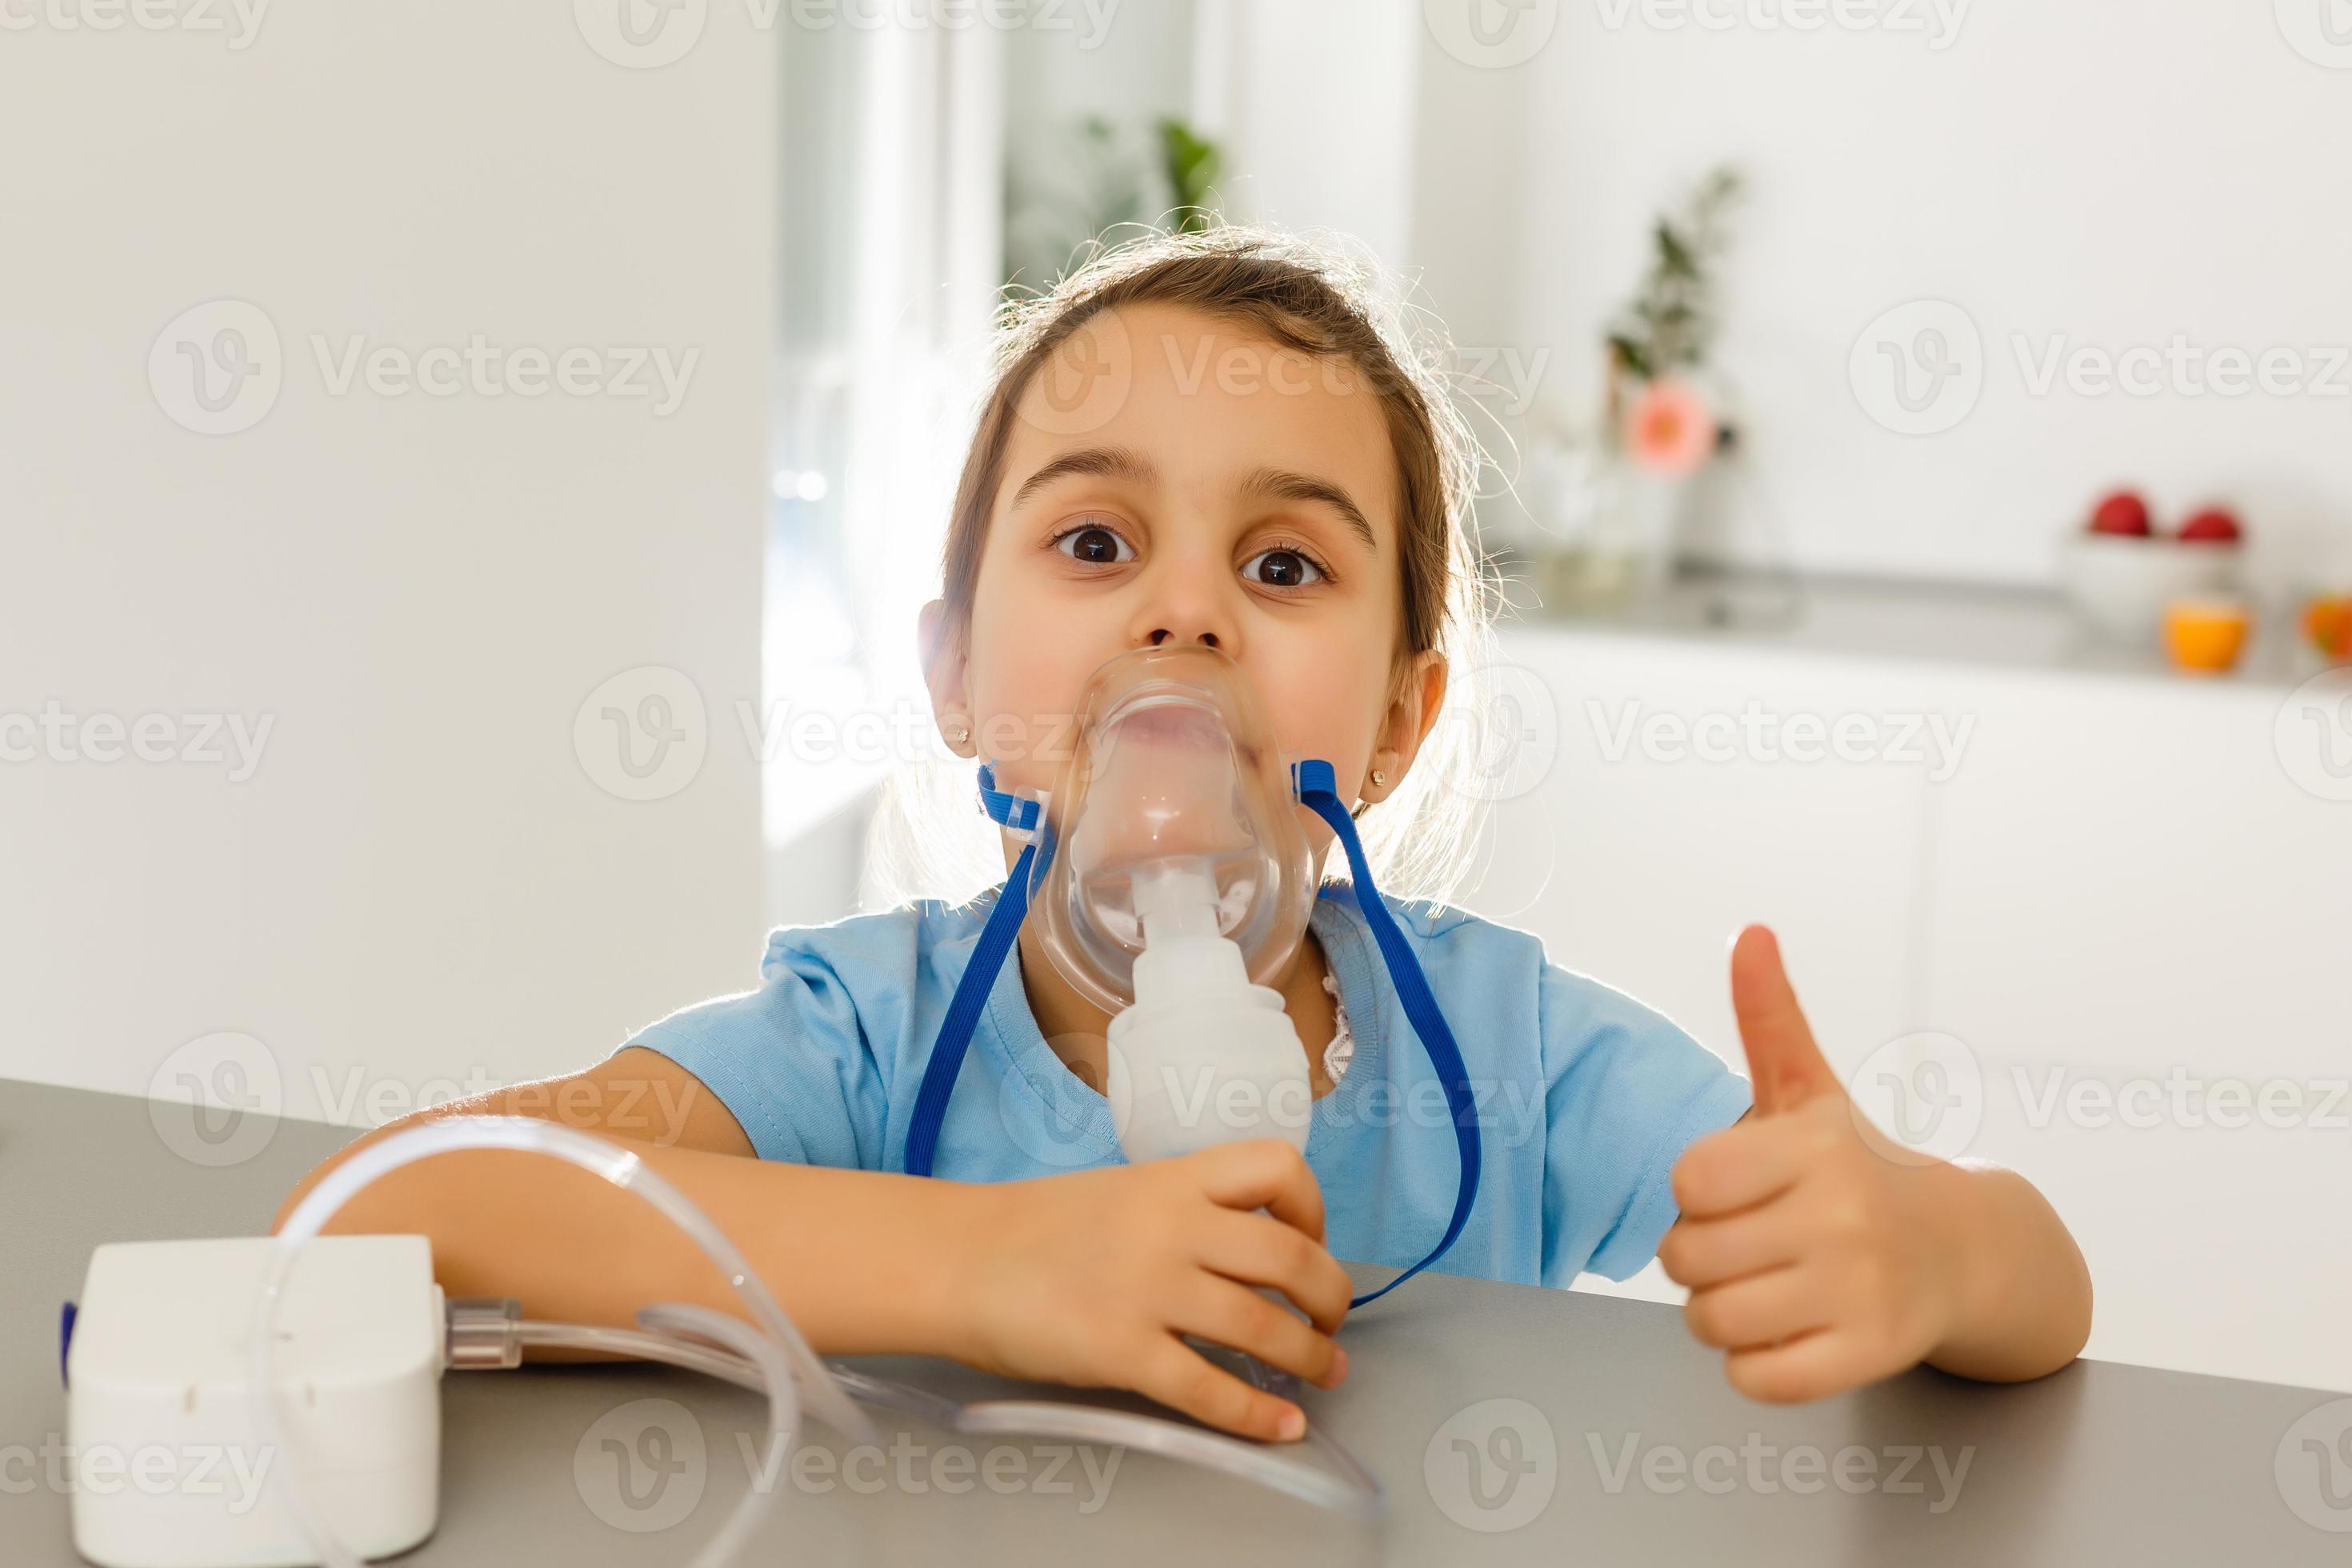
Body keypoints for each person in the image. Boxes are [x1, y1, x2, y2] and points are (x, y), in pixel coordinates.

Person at [278, 225, 2090, 1444]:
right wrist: (988, 1270)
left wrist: (1923, 1240)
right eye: (1092, 543)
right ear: (963, 679)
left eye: (1285, 563)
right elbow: (395, 1209)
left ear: (1395, 717)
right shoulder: (868, 1035)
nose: (1185, 616)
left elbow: (2043, 1295)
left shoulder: (1505, 1060)